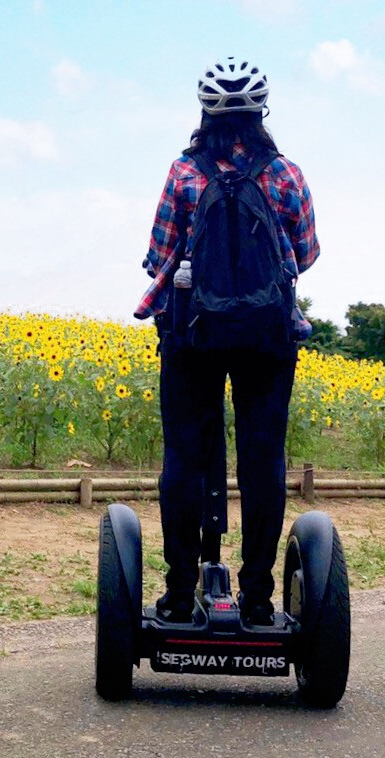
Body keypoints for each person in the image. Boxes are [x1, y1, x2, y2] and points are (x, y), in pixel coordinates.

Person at [135, 57, 319, 626]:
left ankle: (178, 591)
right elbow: (307, 254)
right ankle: (260, 598)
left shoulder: (184, 173)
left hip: (193, 334)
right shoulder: (285, 175)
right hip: (267, 338)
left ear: (203, 113)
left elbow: (155, 257)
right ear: (261, 112)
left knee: (185, 459)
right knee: (263, 460)